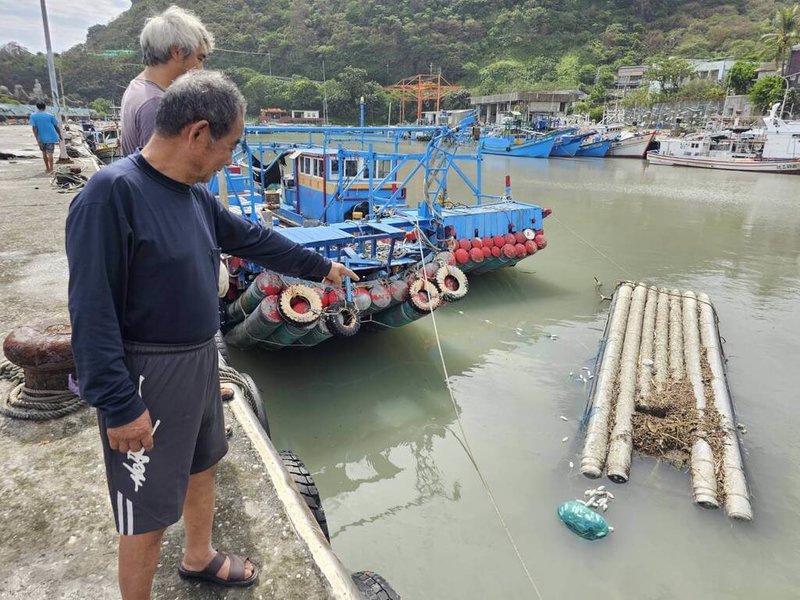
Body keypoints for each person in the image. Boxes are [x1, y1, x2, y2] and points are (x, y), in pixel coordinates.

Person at [66, 70, 359, 600]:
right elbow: (91, 310)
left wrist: (322, 268)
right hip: (146, 373)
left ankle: (198, 557)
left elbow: (256, 238)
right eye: (231, 145)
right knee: (145, 508)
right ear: (198, 133)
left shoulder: (194, 198)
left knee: (204, 464)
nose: (232, 158)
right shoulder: (112, 194)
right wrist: (116, 403)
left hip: (200, 358)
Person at [120, 5, 214, 156]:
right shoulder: (156, 103)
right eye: (199, 58)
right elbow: (162, 174)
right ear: (177, 52)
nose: (201, 69)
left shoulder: (138, 87)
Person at [29, 101, 61, 173]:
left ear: (37, 107)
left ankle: (47, 168)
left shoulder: (33, 116)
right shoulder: (50, 115)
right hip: (51, 136)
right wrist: (60, 135)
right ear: (45, 107)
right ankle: (51, 169)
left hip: (41, 137)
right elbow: (56, 126)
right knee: (50, 154)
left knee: (44, 153)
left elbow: (34, 128)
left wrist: (37, 138)